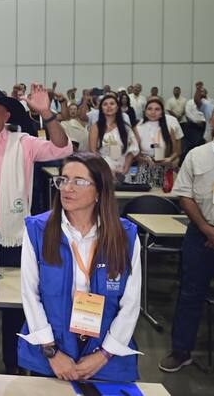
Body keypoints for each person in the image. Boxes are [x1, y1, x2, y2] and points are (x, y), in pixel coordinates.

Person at [0, 84, 72, 375]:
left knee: (14, 305)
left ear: (6, 115)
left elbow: (62, 148)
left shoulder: (24, 144)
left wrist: (46, 113)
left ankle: (13, 364)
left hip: (14, 237)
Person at [18, 152, 141, 381]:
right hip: (51, 352)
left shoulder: (125, 236)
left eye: (79, 181)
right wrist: (51, 351)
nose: (67, 188)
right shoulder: (37, 230)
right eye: (63, 179)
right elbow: (30, 295)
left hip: (106, 354)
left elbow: (131, 303)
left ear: (100, 191)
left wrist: (104, 354)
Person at [159, 98, 214, 373]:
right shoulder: (196, 154)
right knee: (190, 293)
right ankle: (181, 351)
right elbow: (185, 195)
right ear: (211, 119)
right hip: (200, 235)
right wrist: (207, 229)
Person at [135, 98, 183, 186]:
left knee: (162, 196)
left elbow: (176, 151)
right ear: (145, 112)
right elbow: (135, 154)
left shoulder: (168, 128)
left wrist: (170, 159)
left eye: (157, 109)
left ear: (161, 113)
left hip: (164, 167)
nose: (153, 112)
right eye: (149, 109)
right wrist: (146, 160)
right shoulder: (138, 129)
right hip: (145, 167)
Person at [90, 94, 139, 178]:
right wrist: (105, 169)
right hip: (102, 170)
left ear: (117, 107)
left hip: (122, 170)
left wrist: (126, 168)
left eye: (112, 104)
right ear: (101, 108)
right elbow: (93, 150)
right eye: (105, 104)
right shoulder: (96, 127)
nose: (109, 106)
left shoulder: (126, 127)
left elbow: (132, 149)